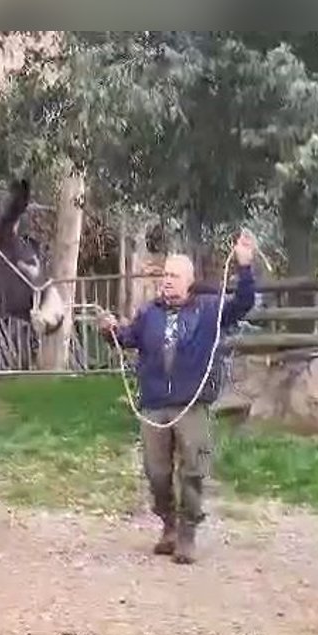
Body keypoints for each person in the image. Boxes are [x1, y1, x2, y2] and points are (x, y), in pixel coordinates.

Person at [98, 232, 257, 564]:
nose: (167, 281)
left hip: (192, 403)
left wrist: (245, 267)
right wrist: (110, 330)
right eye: (165, 275)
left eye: (174, 276)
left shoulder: (210, 311)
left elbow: (243, 304)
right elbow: (127, 338)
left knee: (193, 470)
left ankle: (187, 534)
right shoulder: (149, 314)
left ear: (189, 281)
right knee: (156, 472)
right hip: (154, 404)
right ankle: (168, 525)